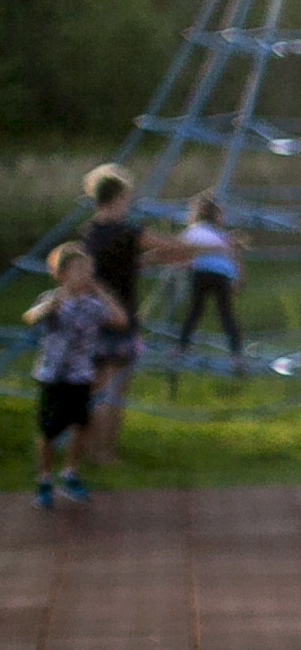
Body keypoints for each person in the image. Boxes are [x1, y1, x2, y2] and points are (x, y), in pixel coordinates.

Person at [75, 167, 192, 467]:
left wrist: (147, 262)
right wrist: (216, 244)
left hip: (93, 318)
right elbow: (172, 247)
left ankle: (88, 452)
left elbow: (116, 266)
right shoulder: (126, 231)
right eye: (126, 196)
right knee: (112, 390)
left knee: (97, 388)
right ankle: (104, 454)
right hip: (118, 320)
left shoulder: (93, 233)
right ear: (118, 197)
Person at [26, 243, 125, 507]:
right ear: (62, 274)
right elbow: (31, 317)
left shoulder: (93, 304)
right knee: (49, 431)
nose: (85, 274)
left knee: (81, 424)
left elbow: (119, 319)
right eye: (78, 269)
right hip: (53, 374)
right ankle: (44, 480)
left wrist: (101, 291)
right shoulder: (52, 299)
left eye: (88, 269)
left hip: (80, 374)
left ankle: (70, 474)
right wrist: (53, 303)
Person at [169, 194, 242, 366]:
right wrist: (235, 278)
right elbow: (232, 258)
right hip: (222, 275)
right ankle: (236, 355)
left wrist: (183, 264)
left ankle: (181, 347)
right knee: (226, 314)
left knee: (195, 309)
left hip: (201, 273)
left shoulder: (194, 230)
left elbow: (182, 251)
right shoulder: (220, 235)